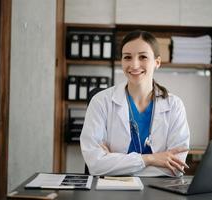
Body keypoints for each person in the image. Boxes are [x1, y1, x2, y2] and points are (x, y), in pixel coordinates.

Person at [80, 30, 190, 177]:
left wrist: (114, 162)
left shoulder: (174, 105)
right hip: (112, 190)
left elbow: (175, 168)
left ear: (157, 62)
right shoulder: (101, 101)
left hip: (159, 191)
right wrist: (152, 159)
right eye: (127, 57)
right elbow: (95, 164)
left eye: (143, 57)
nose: (134, 64)